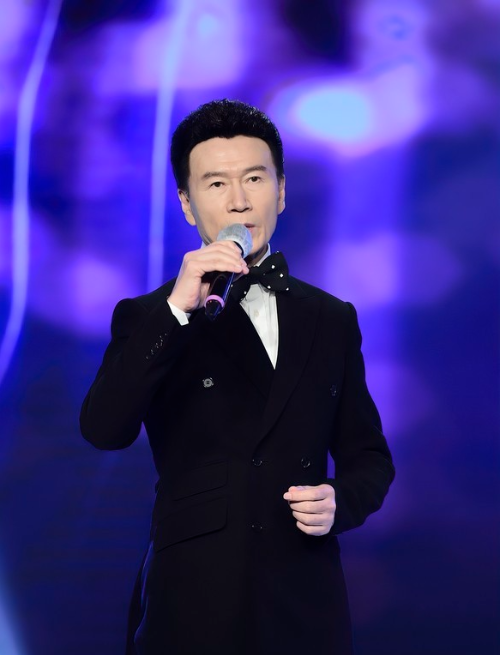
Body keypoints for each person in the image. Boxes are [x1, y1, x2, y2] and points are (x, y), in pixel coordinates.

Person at [80, 99, 395, 655]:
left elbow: (368, 456)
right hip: (192, 595)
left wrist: (339, 501)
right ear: (186, 203)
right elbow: (105, 428)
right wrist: (176, 311)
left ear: (281, 191)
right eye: (216, 183)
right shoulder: (151, 316)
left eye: (254, 178)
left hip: (304, 597)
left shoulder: (330, 317)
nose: (239, 200)